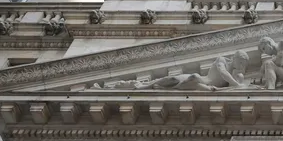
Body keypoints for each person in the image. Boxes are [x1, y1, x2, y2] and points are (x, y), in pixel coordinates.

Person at [97, 51, 250, 91]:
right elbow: (223, 74)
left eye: (244, 64)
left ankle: (151, 87)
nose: (242, 65)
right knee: (169, 81)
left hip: (200, 85)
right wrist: (237, 85)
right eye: (241, 62)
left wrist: (238, 81)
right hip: (199, 80)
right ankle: (138, 87)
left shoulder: (238, 74)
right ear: (235, 58)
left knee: (188, 80)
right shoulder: (222, 60)